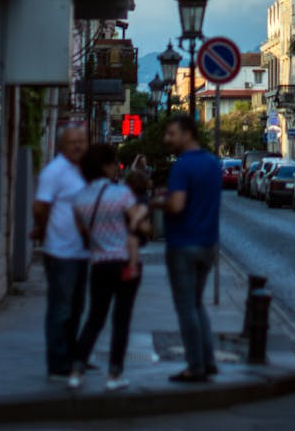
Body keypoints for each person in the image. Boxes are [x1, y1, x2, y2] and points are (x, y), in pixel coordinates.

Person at [68, 144, 147, 391]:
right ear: (105, 166)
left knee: (94, 318)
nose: (117, 167)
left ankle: (76, 370)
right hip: (124, 262)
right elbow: (142, 227)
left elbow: (82, 233)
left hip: (99, 264)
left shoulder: (80, 199)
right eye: (114, 163)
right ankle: (114, 375)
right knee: (121, 320)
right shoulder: (122, 194)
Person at [155, 114, 222, 384]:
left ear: (188, 134)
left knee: (186, 308)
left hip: (184, 243)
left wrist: (158, 202)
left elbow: (178, 205)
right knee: (197, 304)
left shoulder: (182, 167)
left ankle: (195, 366)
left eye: (172, 134)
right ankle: (209, 361)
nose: (167, 139)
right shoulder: (213, 163)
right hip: (209, 243)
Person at [32, 125, 89, 379]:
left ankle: (71, 355)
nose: (77, 146)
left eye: (81, 141)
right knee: (60, 309)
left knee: (76, 308)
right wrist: (46, 232)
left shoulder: (85, 170)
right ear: (61, 146)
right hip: (60, 252)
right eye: (71, 142)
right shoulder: (54, 172)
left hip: (82, 252)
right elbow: (40, 206)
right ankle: (57, 362)